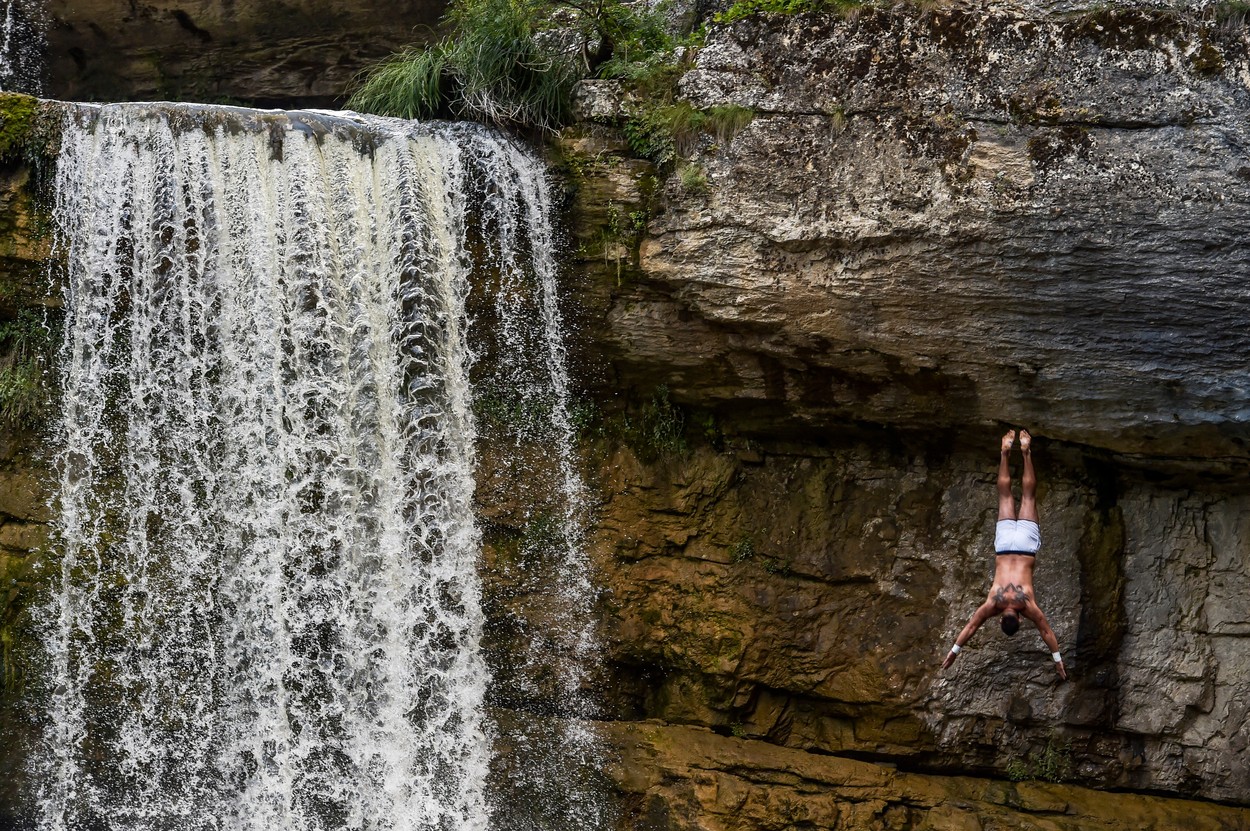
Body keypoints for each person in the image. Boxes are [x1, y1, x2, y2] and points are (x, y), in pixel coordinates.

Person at [942, 429, 1067, 679]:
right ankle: (1005, 452)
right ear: (1000, 620)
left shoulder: (1027, 605)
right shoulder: (993, 604)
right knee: (1005, 496)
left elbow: (1045, 632)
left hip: (1025, 547)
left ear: (1019, 621)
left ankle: (1026, 451)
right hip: (1004, 545)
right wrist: (953, 652)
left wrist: (1058, 662)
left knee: (1029, 496)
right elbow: (971, 626)